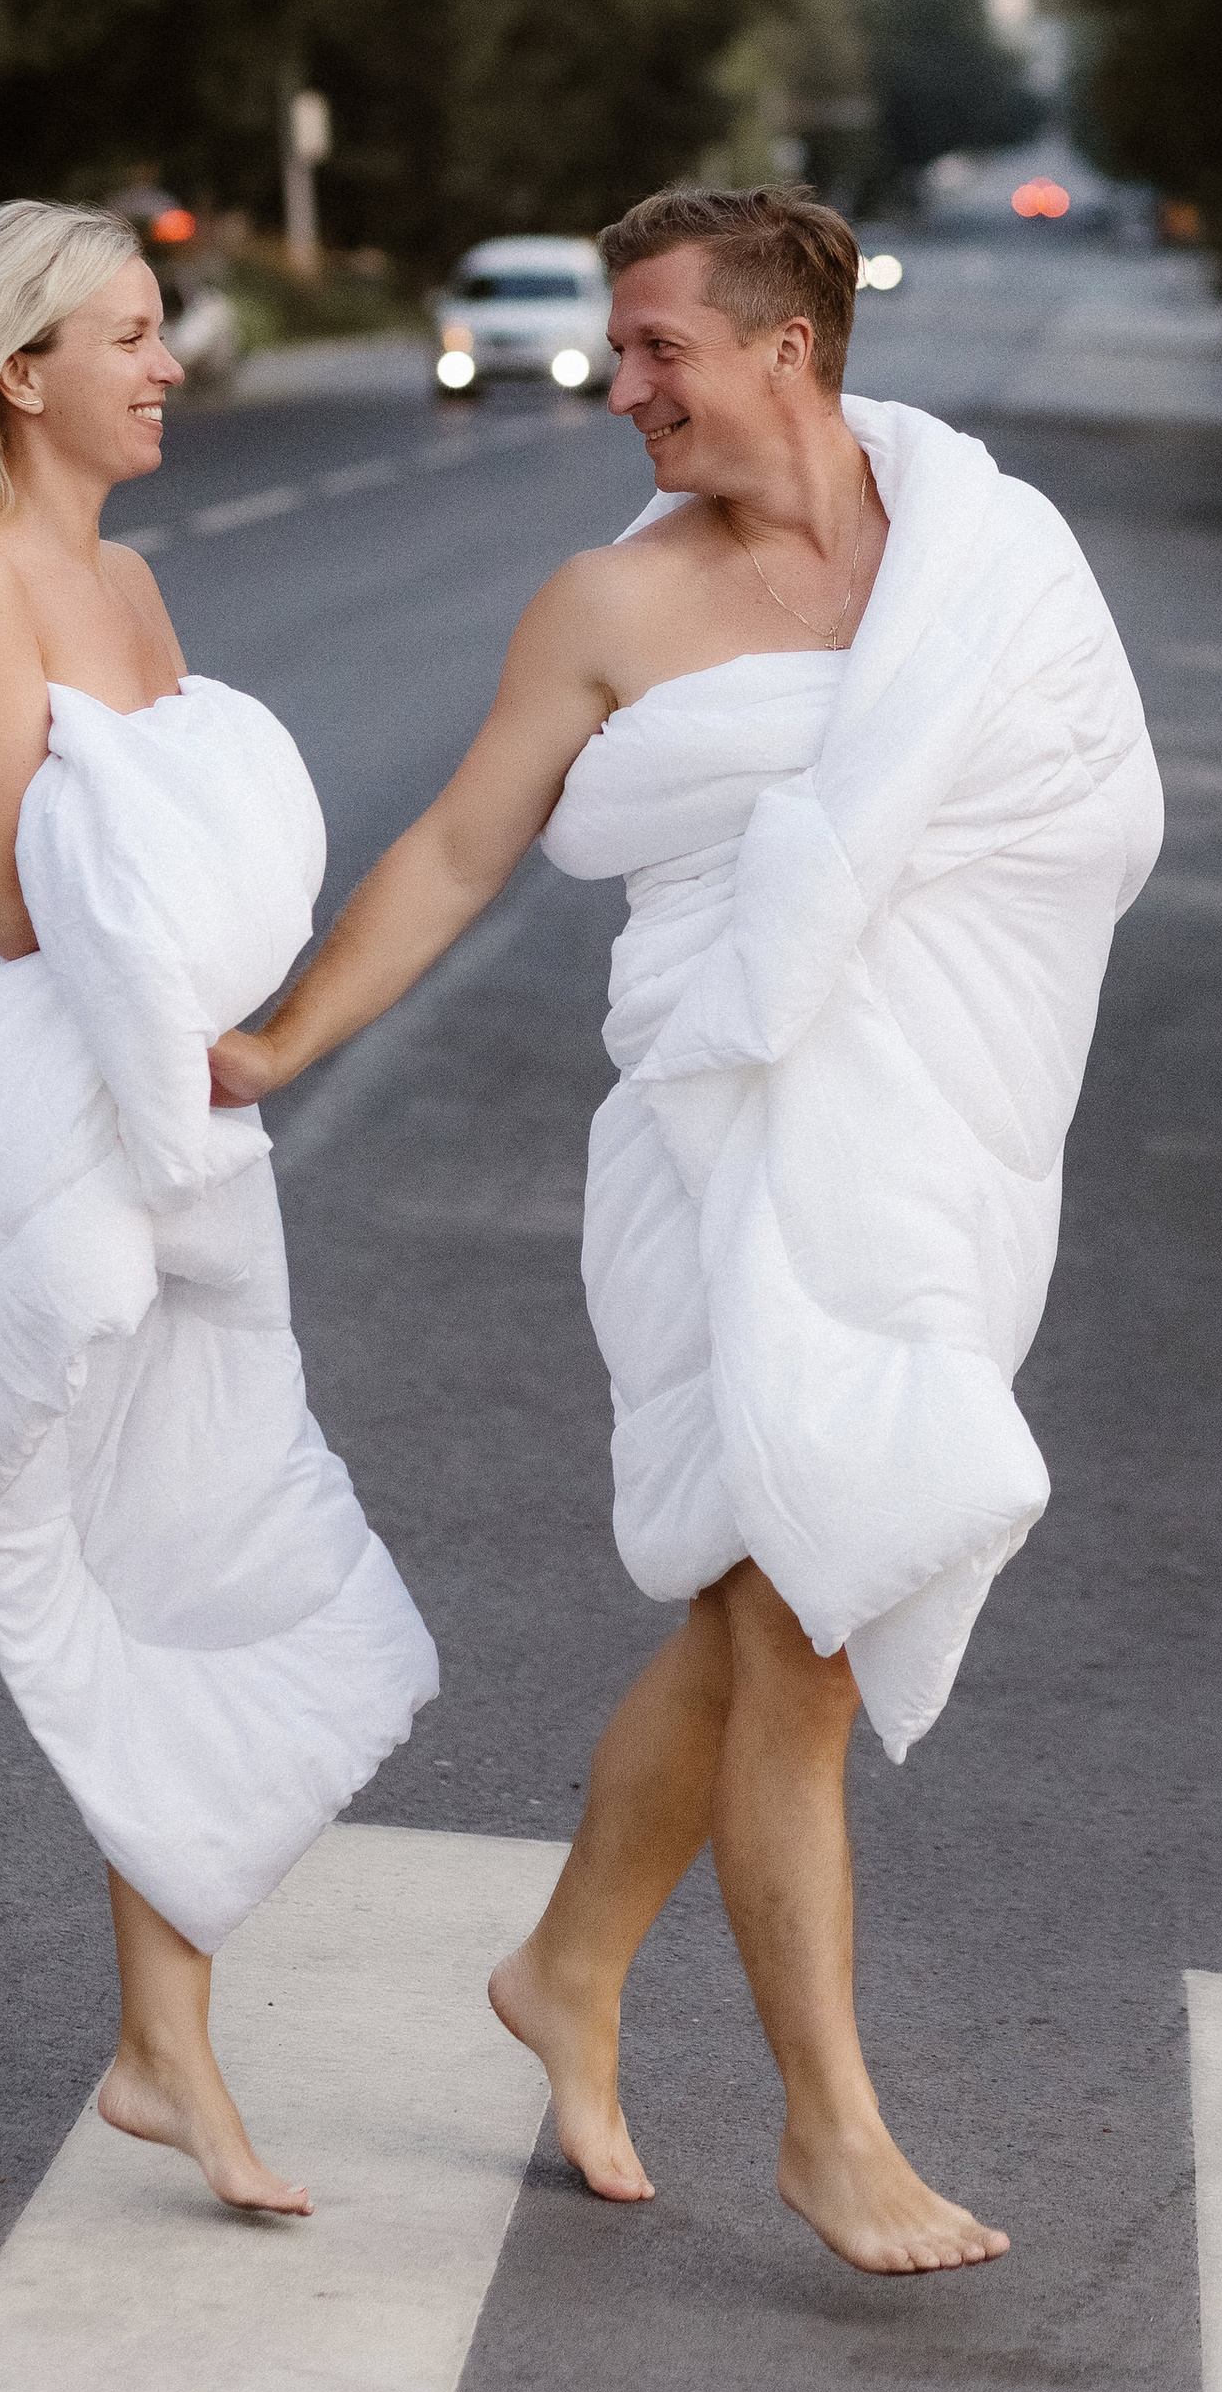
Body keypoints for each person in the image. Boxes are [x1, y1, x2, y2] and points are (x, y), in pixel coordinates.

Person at [213, 186, 1159, 2274]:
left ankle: (562, 1966)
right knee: (801, 1627)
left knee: (754, 1608)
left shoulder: (986, 558)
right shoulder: (605, 608)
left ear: (783, 355)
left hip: (932, 1146)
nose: (617, 384)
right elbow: (464, 846)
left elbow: (1092, 819)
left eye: (654, 349)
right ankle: (830, 2130)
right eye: (619, 352)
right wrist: (281, 1036)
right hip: (718, 1154)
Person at [0, 201, 437, 2206]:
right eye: (124, 334)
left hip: (144, 1121)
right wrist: (178, 920)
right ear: (15, 369)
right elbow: (0, 887)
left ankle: (163, 2049)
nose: (166, 363)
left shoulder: (128, 588)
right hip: (5, 1142)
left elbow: (177, 870)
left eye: (160, 328)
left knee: (167, 1560)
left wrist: (203, 957)